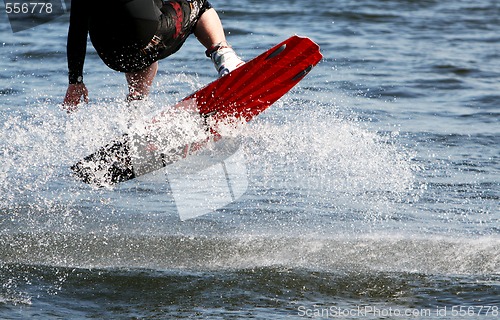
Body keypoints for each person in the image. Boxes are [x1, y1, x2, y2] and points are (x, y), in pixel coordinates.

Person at [62, 0, 244, 111]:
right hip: (146, 34)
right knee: (199, 4)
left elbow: (77, 29)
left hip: (112, 54)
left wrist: (75, 80)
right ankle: (225, 58)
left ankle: (136, 111)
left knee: (138, 47)